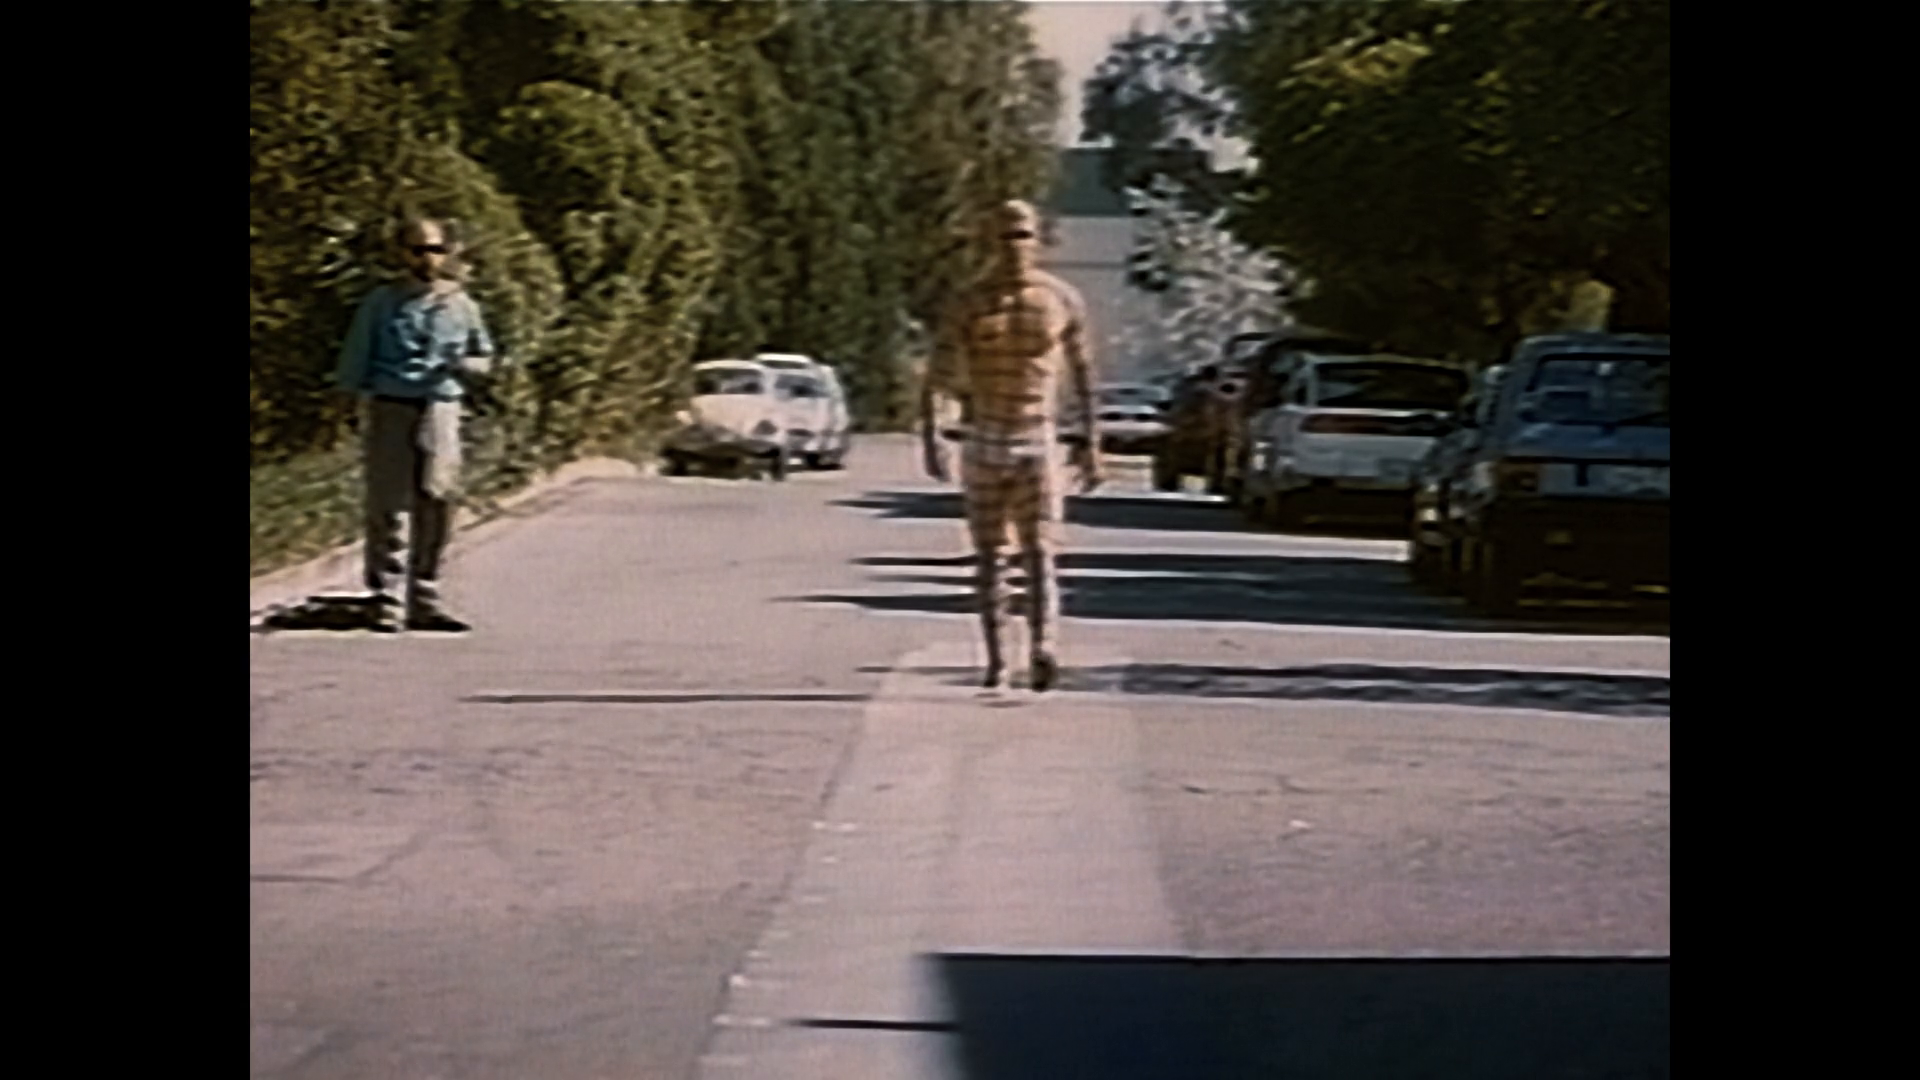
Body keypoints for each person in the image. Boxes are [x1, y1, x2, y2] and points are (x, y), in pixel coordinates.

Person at [920, 199, 1102, 691]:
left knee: (1040, 549)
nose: (1014, 247)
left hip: (1037, 434)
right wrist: (933, 435)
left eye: (1022, 235)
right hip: (984, 437)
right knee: (989, 555)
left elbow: (1083, 372)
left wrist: (1091, 441)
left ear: (1038, 240)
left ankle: (1044, 646)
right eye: (1004, 237)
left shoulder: (1060, 299)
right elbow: (938, 373)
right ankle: (998, 659)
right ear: (990, 242)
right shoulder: (969, 302)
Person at [334, 216, 496, 632]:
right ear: (401, 253)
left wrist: (465, 364)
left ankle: (425, 594)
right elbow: (356, 354)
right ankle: (386, 597)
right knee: (388, 504)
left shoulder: (461, 304)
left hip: (441, 405)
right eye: (418, 250)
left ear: (448, 253)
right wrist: (347, 401)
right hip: (391, 404)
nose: (428, 258)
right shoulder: (382, 302)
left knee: (438, 497)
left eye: (436, 249)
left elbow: (485, 356)